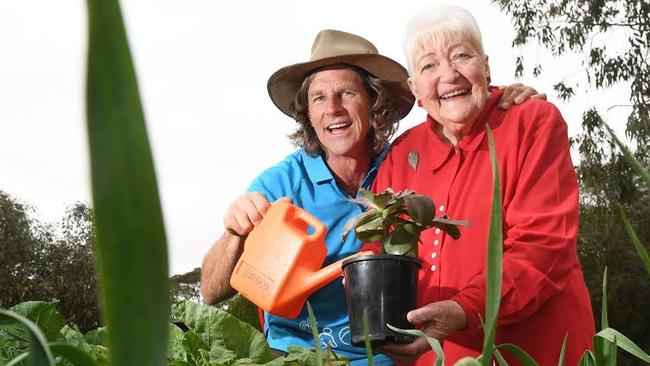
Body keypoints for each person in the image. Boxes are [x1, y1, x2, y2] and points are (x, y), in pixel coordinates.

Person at [200, 29, 543, 365]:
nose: (332, 108)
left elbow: (457, 118)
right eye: (318, 98)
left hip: (386, 356)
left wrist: (499, 101)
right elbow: (212, 291)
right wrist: (234, 233)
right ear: (307, 113)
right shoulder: (283, 185)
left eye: (347, 93)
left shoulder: (404, 164)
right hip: (297, 355)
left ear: (375, 103)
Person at [369, 5, 595, 365]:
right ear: (415, 89)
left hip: (535, 352)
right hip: (434, 356)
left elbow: (543, 247)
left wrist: (464, 308)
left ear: (485, 66)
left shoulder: (531, 122)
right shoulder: (401, 154)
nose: (449, 74)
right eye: (429, 65)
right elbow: (376, 244)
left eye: (462, 56)